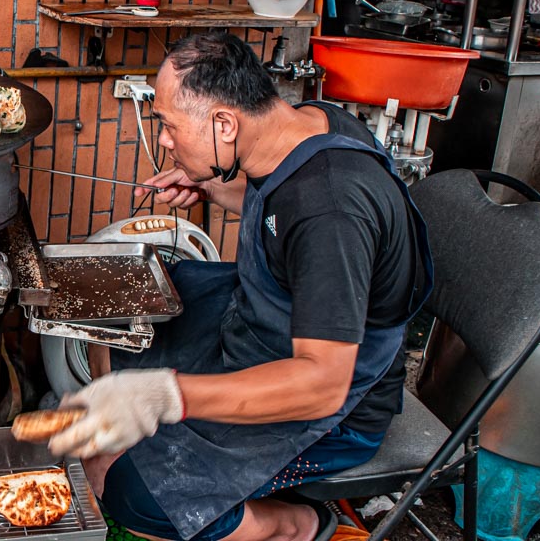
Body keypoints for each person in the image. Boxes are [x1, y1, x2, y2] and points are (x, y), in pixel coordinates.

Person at [46, 32, 432, 541]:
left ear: (225, 123)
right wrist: (209, 182)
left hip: (334, 403)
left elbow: (321, 385)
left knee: (137, 494)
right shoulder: (300, 124)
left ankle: (297, 526)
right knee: (116, 304)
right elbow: (278, 214)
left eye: (169, 126)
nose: (163, 140)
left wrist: (165, 396)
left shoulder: (331, 208)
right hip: (256, 315)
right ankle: (128, 425)